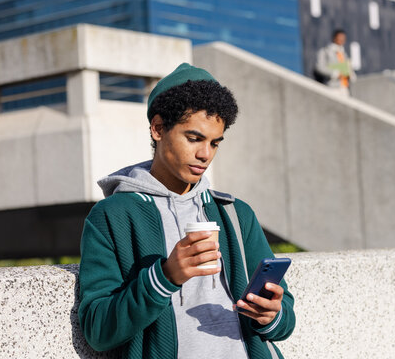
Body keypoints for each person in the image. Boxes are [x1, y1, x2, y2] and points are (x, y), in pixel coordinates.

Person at [78, 63, 295, 358]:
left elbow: (284, 321)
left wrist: (271, 314)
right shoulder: (112, 216)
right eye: (194, 139)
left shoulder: (234, 213)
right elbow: (98, 330)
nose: (205, 154)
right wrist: (165, 276)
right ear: (157, 128)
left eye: (214, 143)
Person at [314, 28, 357, 96]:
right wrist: (336, 74)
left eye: (343, 38)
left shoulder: (344, 53)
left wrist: (350, 74)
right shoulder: (325, 51)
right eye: (340, 37)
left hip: (345, 88)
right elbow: (320, 68)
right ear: (334, 38)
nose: (342, 40)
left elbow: (348, 68)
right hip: (332, 88)